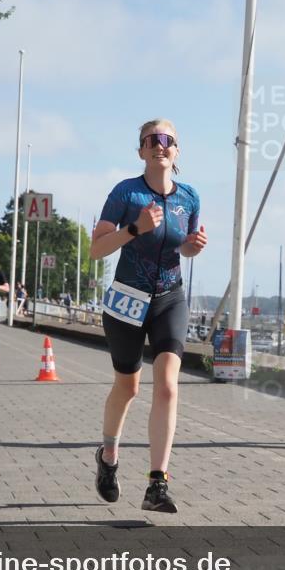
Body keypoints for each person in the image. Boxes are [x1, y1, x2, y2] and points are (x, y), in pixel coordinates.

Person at [89, 118, 206, 513]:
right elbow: (97, 249)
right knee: (128, 388)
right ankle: (108, 457)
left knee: (168, 386)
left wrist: (192, 246)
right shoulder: (126, 193)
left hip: (170, 298)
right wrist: (134, 230)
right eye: (152, 140)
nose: (160, 145)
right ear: (141, 151)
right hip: (127, 299)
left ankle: (158, 483)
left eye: (168, 139)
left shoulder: (189, 197)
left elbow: (183, 250)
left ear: (177, 150)